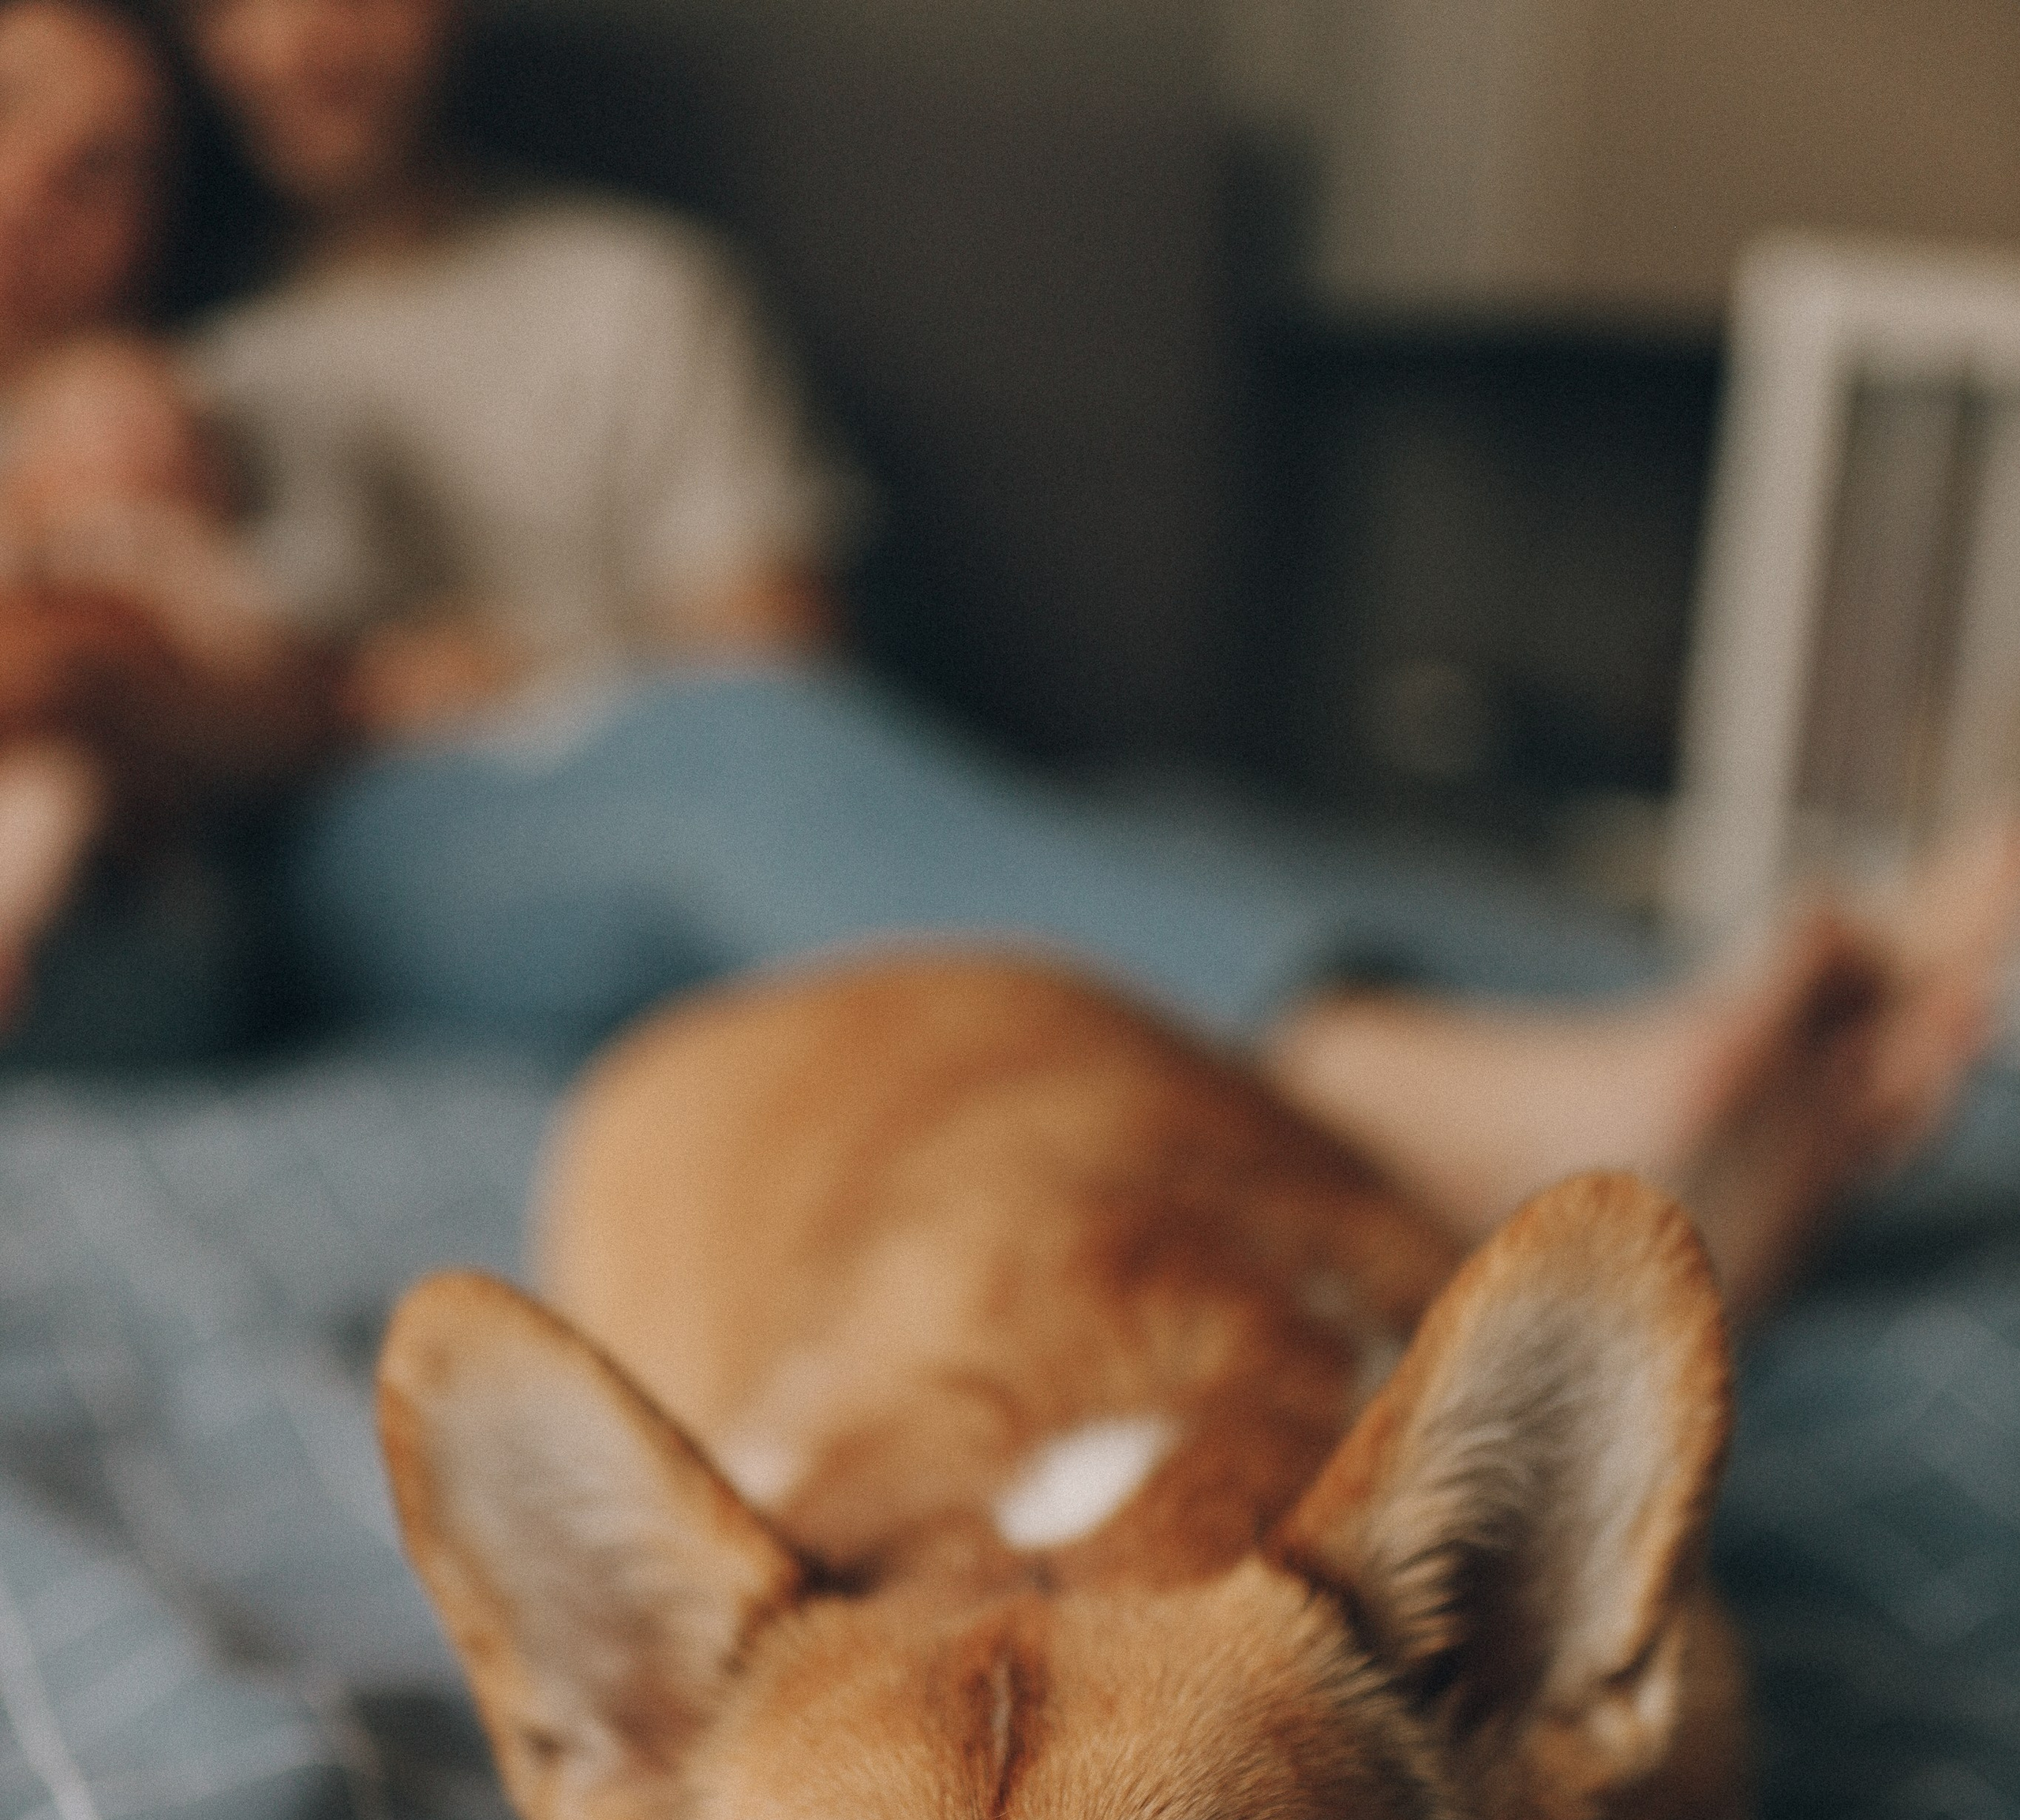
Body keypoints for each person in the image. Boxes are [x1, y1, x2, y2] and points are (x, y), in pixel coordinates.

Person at [74, 0, 2009, 1304]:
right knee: (731, 762)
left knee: (1122, 832)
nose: (315, 34)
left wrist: (542, 666)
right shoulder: (163, 376)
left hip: (676, 743)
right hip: (385, 841)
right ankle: (1532, 1122)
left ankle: (1775, 1009)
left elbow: (782, 645)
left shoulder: (625, 290)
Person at [0, 0, 337, 1046]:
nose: (38, 181)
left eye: (106, 163)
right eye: (6, 109)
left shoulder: (205, 408)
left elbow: (292, 707)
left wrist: (92, 670)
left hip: (117, 908)